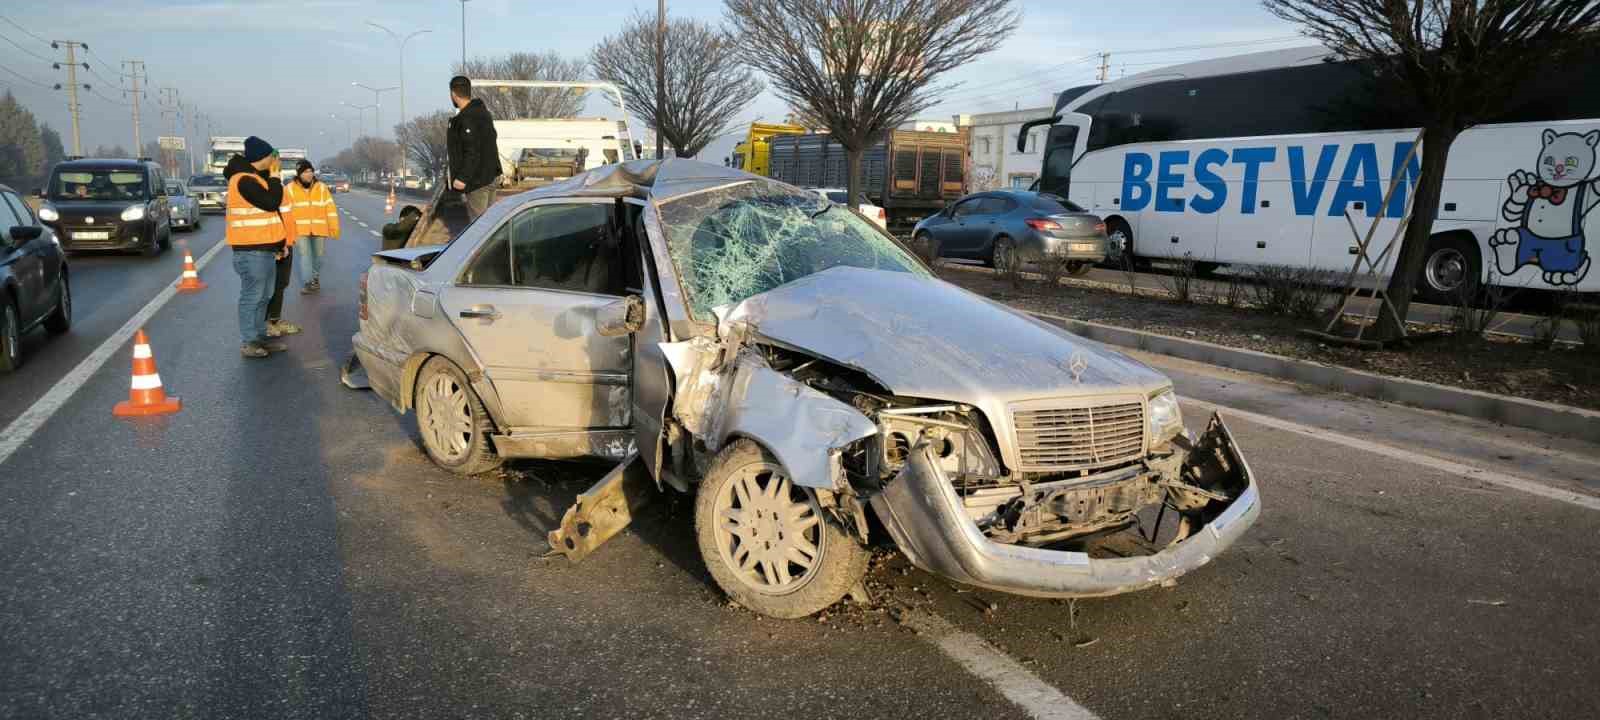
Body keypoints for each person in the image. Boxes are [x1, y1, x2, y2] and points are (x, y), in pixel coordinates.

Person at [223, 136, 291, 359]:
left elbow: (272, 213)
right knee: (253, 296)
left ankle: (259, 337)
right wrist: (274, 177)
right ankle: (249, 341)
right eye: (272, 157)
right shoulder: (243, 180)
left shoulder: (255, 179)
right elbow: (271, 202)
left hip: (265, 249)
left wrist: (280, 244)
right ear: (262, 157)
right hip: (250, 251)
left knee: (265, 295)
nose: (274, 161)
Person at [446, 75, 500, 221]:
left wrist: (462, 177)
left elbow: (472, 150)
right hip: (491, 176)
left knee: (478, 228)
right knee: (489, 224)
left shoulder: (466, 118)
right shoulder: (484, 113)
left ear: (453, 94)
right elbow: (491, 141)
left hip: (478, 181)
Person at [283, 159, 340, 294]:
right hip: (300, 230)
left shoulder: (321, 187)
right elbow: (286, 212)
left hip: (319, 228)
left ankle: (315, 278)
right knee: (305, 256)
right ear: (299, 174)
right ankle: (308, 283)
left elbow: (330, 208)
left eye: (310, 171)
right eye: (305, 172)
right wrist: (287, 232)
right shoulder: (289, 189)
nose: (309, 174)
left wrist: (334, 227)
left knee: (319, 257)